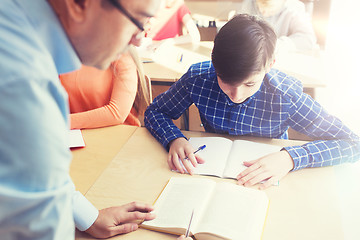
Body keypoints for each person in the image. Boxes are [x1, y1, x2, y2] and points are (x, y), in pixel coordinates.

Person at [0, 0, 161, 239]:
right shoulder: (23, 85)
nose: (139, 40)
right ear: (79, 4)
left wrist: (88, 216)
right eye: (139, 21)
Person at [144, 14, 360, 190]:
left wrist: (290, 158)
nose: (236, 95)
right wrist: (174, 139)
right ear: (213, 62)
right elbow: (155, 112)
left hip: (266, 183)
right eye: (225, 82)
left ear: (270, 65)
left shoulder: (285, 95)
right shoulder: (198, 78)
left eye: (249, 84)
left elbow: (352, 143)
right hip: (208, 177)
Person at [60, 46, 151, 129]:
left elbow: (117, 113)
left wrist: (61, 121)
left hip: (118, 134)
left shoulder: (122, 52)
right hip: (74, 134)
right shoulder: (63, 50)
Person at [229, 0, 317, 52]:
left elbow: (308, 39)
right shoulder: (250, 3)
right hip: (252, 57)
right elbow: (237, 29)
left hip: (281, 58)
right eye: (260, 6)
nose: (262, 12)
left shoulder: (294, 8)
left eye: (269, 8)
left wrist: (276, 45)